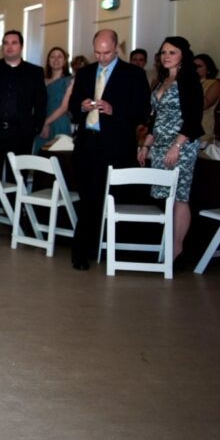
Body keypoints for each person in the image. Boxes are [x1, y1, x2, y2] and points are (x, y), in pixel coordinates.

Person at [68, 30, 150, 270]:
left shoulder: (133, 74)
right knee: (88, 197)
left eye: (106, 52)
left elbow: (142, 110)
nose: (101, 57)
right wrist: (81, 106)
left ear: (116, 48)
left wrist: (116, 111)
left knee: (102, 197)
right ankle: (88, 246)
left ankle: (85, 249)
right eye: (97, 52)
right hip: (86, 143)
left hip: (114, 144)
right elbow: (73, 106)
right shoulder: (85, 72)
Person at [138, 37, 203, 263]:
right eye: (164, 52)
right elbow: (155, 118)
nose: (167, 56)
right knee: (166, 196)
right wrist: (146, 145)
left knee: (179, 196)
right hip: (160, 143)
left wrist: (176, 146)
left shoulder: (188, 80)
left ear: (183, 55)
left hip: (182, 144)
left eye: (172, 52)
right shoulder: (162, 81)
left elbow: (194, 118)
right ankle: (167, 245)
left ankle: (177, 250)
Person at [0, 31, 46, 180]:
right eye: (5, 43)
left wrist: (36, 128)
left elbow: (40, 102)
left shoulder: (34, 72)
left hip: (20, 133)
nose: (9, 47)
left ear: (21, 46)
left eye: (14, 43)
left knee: (17, 177)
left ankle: (15, 204)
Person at [33, 47, 74, 151]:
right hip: (42, 124)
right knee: (39, 160)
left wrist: (45, 123)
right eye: (52, 57)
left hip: (59, 123)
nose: (56, 60)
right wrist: (41, 124)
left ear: (65, 61)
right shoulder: (41, 81)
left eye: (59, 56)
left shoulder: (70, 81)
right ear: (48, 60)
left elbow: (64, 107)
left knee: (59, 160)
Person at [195, 53, 220, 143]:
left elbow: (204, 105)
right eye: (193, 66)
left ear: (208, 69)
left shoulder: (214, 84)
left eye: (199, 66)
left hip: (203, 128)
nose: (195, 69)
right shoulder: (184, 83)